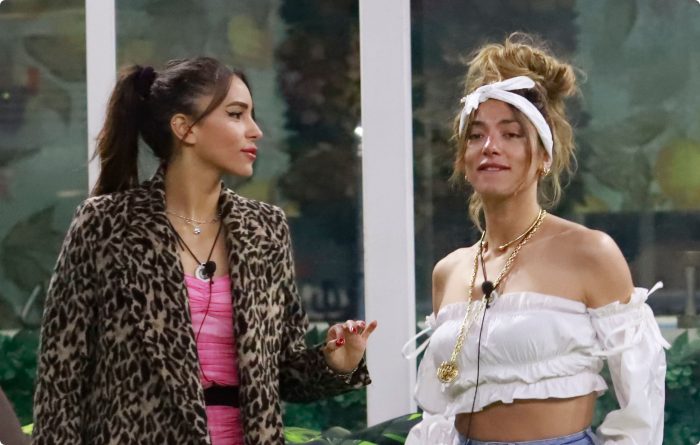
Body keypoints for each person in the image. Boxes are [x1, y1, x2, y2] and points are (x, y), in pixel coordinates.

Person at [31, 57, 377, 445]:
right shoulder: (106, 224)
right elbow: (61, 375)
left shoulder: (266, 228)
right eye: (236, 114)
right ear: (185, 128)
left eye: (251, 115)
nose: (255, 130)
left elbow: (283, 372)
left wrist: (336, 362)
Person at [404, 34, 669, 445]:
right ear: (463, 159)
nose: (490, 147)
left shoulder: (589, 253)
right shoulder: (449, 271)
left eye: (511, 134)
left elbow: (641, 407)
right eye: (476, 135)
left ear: (544, 156)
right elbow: (439, 409)